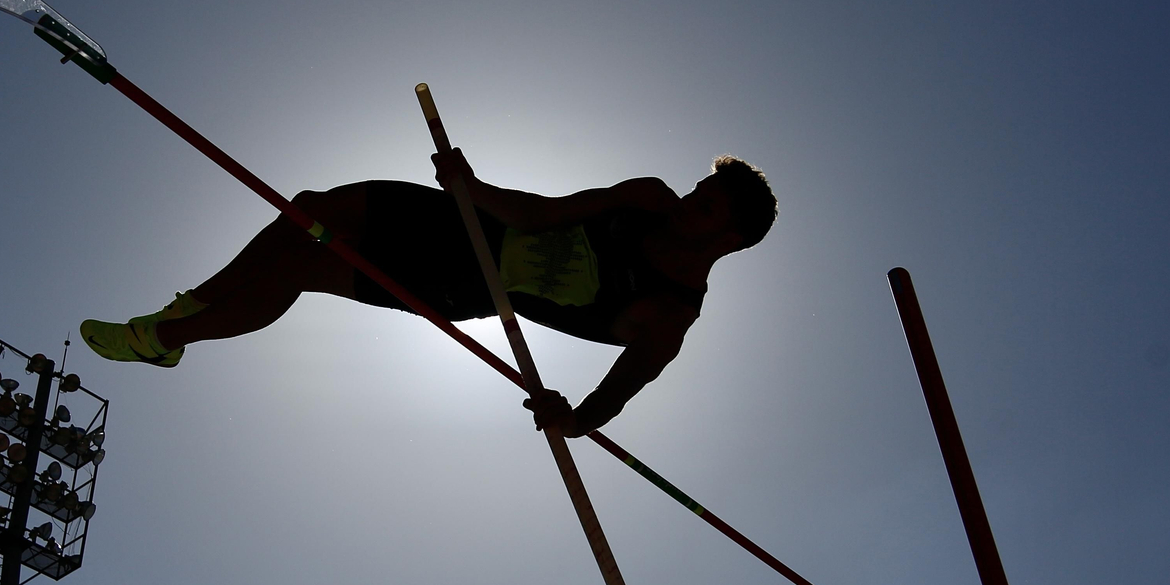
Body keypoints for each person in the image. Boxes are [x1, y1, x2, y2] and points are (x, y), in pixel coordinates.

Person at [80, 151, 776, 437]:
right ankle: (184, 309)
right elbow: (543, 212)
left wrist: (572, 418)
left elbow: (613, 397)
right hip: (464, 223)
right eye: (700, 190)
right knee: (308, 208)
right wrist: (473, 189)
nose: (689, 203)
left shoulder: (668, 317)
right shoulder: (648, 198)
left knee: (295, 268)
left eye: (708, 209)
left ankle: (165, 341)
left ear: (733, 242)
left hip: (466, 281)